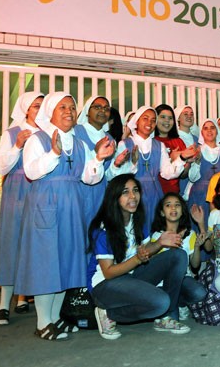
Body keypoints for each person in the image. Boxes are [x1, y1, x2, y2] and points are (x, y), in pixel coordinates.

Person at [14, 92, 115, 340]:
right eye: (63, 107)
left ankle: (56, 317)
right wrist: (54, 154)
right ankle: (42, 322)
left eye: (72, 107)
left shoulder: (79, 143)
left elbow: (89, 177)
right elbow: (31, 171)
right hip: (46, 205)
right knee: (47, 263)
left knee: (66, 263)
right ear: (50, 111)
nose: (69, 111)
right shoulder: (37, 139)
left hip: (72, 206)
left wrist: (99, 159)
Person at [87, 174, 189, 339]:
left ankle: (166, 317)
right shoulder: (104, 229)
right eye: (125, 192)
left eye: (135, 190)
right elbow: (108, 272)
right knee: (160, 302)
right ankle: (109, 313)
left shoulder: (137, 220)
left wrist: (160, 243)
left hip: (131, 276)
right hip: (105, 285)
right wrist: (137, 260)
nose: (133, 196)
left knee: (178, 255)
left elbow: (145, 249)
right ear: (115, 197)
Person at [0, 91, 44, 325]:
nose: (39, 110)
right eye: (35, 106)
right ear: (25, 109)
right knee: (12, 243)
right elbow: (1, 166)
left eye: (43, 106)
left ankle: (25, 297)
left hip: (40, 190)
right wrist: (17, 146)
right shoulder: (13, 133)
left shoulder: (47, 133)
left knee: (35, 245)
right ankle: (4, 305)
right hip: (17, 190)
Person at [108, 106, 193, 228]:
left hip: (154, 194)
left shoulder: (159, 146)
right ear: (137, 121)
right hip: (133, 194)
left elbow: (167, 173)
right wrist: (132, 163)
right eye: (145, 118)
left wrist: (182, 158)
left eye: (153, 120)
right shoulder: (125, 144)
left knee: (153, 230)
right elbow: (114, 175)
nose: (150, 123)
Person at [150, 192, 207, 322]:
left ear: (182, 211)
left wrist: (197, 247)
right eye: (168, 205)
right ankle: (165, 307)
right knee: (172, 317)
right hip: (162, 284)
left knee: (200, 292)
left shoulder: (190, 234)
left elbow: (195, 265)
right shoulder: (157, 237)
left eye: (177, 205)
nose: (173, 208)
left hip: (183, 280)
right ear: (162, 212)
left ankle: (180, 303)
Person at [75, 95, 115, 226]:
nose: (102, 111)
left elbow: (109, 173)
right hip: (79, 189)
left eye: (106, 108)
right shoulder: (75, 132)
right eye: (97, 107)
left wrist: (118, 164)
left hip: (101, 191)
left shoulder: (110, 139)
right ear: (87, 111)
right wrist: (96, 153)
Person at [186, 119, 220, 234]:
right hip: (199, 197)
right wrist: (197, 162)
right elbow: (192, 178)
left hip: (219, 197)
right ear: (202, 133)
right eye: (205, 128)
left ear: (217, 131)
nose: (209, 130)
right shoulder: (197, 151)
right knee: (199, 231)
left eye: (212, 127)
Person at [155, 104, 194, 194]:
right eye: (163, 117)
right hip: (154, 192)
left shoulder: (178, 141)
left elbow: (183, 175)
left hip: (174, 192)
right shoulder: (151, 141)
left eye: (170, 118)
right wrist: (171, 159)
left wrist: (187, 161)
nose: (167, 121)